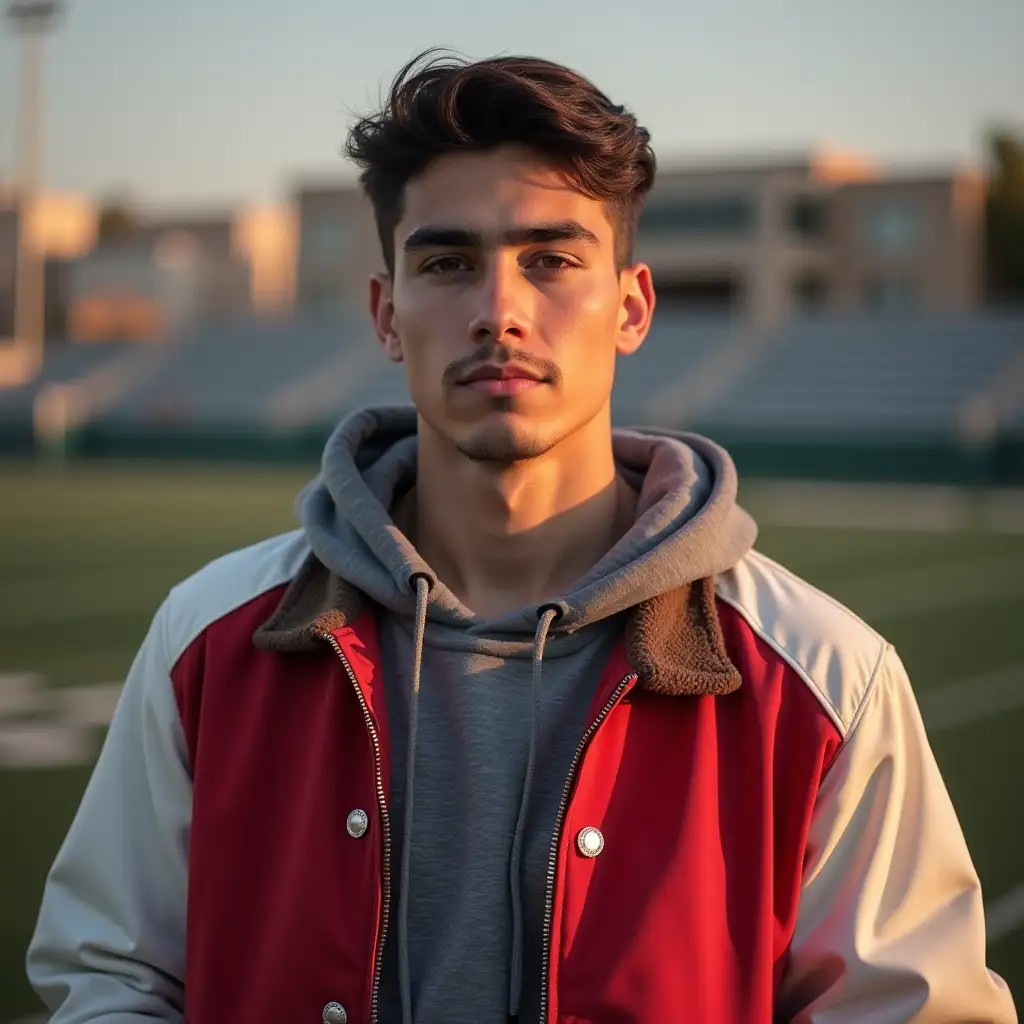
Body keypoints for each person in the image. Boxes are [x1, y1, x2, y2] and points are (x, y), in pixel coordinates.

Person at [27, 51, 1016, 1024]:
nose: (499, 312)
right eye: (449, 263)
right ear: (385, 313)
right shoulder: (208, 638)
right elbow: (111, 974)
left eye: (550, 260)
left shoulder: (826, 680)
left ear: (630, 306)